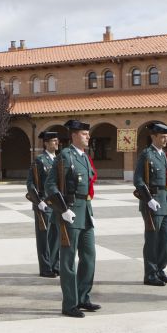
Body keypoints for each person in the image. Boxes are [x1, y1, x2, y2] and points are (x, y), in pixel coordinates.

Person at [45, 119, 99, 318]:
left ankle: (83, 297)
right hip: (69, 213)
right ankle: (69, 304)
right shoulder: (65, 157)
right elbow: (50, 186)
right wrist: (63, 210)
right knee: (68, 261)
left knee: (89, 257)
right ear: (75, 135)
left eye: (88, 134)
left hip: (85, 212)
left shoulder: (84, 157)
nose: (88, 137)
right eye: (85, 134)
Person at [133, 122, 167, 287]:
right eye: (163, 137)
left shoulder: (163, 154)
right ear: (154, 137)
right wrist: (148, 199)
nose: (166, 140)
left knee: (165, 238)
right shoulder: (146, 155)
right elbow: (138, 179)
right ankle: (150, 274)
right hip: (152, 201)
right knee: (153, 239)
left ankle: (159, 270)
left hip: (165, 200)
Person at [26, 131, 60, 278]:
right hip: (43, 204)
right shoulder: (39, 161)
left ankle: (55, 265)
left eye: (57, 140)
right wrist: (38, 202)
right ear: (45, 143)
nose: (56, 143)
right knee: (44, 237)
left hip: (56, 205)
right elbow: (30, 183)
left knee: (56, 236)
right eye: (53, 141)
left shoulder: (59, 160)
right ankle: (46, 268)